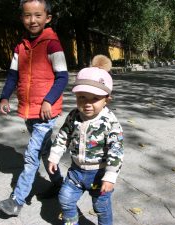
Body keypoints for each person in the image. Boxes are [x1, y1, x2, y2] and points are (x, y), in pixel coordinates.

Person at [0, 0, 68, 216]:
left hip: (46, 112)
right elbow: (13, 75)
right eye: (28, 16)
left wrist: (48, 99)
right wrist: (4, 97)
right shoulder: (20, 47)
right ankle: (59, 183)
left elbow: (62, 76)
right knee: (45, 150)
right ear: (22, 19)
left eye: (38, 15)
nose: (32, 20)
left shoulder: (53, 44)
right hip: (29, 111)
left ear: (47, 18)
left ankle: (17, 200)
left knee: (31, 155)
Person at [48, 55, 124, 225]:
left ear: (106, 100)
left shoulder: (110, 122)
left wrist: (110, 176)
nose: (87, 103)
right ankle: (71, 222)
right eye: (82, 97)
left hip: (99, 174)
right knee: (65, 199)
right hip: (76, 172)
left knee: (101, 207)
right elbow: (63, 136)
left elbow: (116, 150)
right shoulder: (74, 115)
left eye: (95, 98)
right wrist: (54, 156)